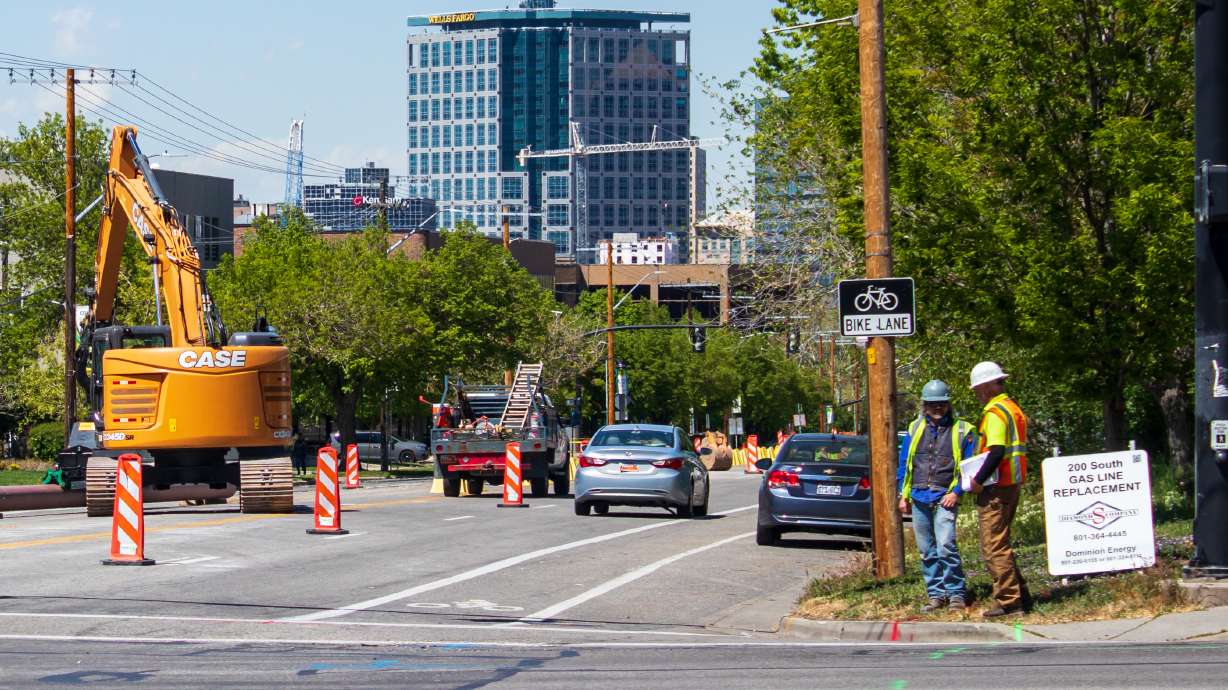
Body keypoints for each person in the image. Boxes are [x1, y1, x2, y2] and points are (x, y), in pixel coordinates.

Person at [897, 380, 978, 612]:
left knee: (946, 546)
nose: (937, 408)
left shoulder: (962, 430)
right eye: (932, 404)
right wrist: (903, 495)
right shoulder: (915, 429)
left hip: (945, 496)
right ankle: (936, 594)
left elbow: (968, 466)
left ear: (948, 404)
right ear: (924, 405)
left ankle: (956, 594)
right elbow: (905, 464)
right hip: (919, 495)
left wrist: (956, 492)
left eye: (941, 403)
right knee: (926, 550)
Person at [968, 361, 1030, 618]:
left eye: (978, 389)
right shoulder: (1012, 408)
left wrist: (978, 480)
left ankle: (1010, 602)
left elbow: (996, 451)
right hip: (1010, 484)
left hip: (997, 487)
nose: (977, 394)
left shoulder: (995, 413)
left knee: (994, 545)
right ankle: (1020, 595)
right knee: (1001, 541)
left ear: (987, 386)